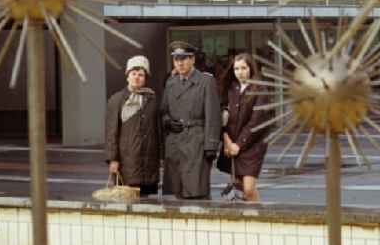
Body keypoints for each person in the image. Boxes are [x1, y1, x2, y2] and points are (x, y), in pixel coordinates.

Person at [161, 41, 221, 199]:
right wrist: (167, 121)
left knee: (196, 191)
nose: (180, 63)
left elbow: (213, 116)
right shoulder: (170, 82)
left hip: (196, 141)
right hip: (175, 142)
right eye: (176, 59)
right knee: (176, 193)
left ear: (192, 60)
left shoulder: (206, 82)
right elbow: (164, 110)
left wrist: (211, 145)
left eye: (184, 58)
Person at [104, 55, 160, 196]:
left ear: (145, 78)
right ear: (127, 76)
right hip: (128, 164)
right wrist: (113, 159)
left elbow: (157, 129)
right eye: (133, 74)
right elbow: (111, 132)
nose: (137, 77)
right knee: (128, 204)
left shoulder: (152, 99)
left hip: (149, 165)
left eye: (141, 75)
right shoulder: (117, 100)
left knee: (150, 204)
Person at [217, 52, 268, 202]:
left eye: (243, 68)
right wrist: (226, 140)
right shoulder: (230, 89)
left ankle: (256, 220)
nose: (240, 72)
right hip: (231, 145)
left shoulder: (260, 90)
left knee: (248, 189)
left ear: (251, 68)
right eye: (236, 69)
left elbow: (256, 122)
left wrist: (238, 145)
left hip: (252, 146)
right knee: (238, 189)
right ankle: (245, 217)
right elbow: (221, 116)